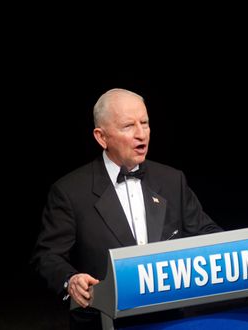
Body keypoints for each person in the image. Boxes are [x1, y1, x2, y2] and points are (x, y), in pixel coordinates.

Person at [31, 88, 223, 329]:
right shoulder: (69, 192)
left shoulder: (172, 181)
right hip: (103, 321)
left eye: (144, 123)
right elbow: (48, 256)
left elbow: (208, 234)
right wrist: (71, 280)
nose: (141, 134)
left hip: (170, 320)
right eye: (128, 126)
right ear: (102, 137)